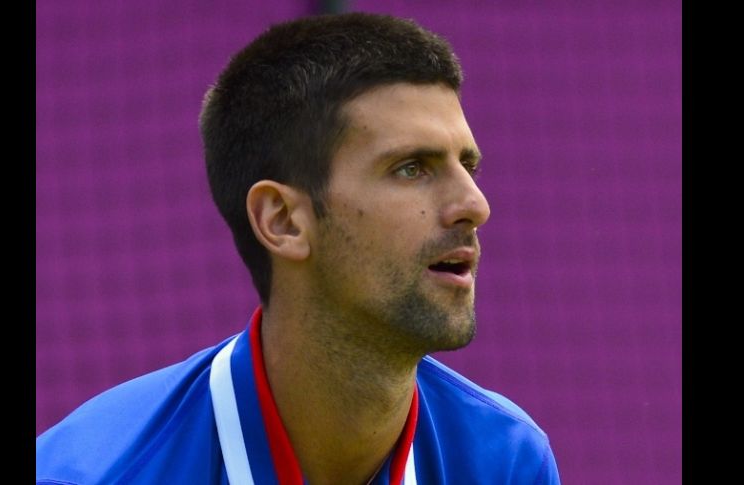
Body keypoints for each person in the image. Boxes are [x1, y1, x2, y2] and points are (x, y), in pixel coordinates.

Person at [36, 12, 561, 485]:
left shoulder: (507, 462)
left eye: (467, 166)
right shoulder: (94, 474)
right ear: (283, 220)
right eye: (411, 168)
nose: (475, 205)